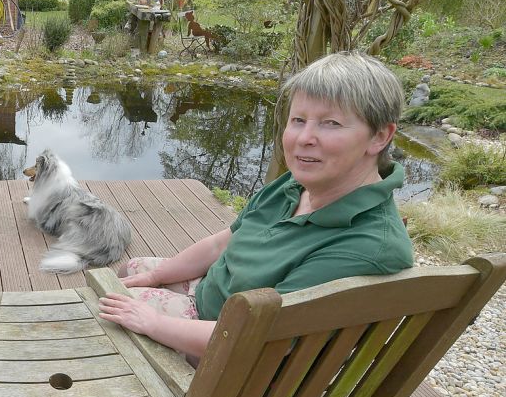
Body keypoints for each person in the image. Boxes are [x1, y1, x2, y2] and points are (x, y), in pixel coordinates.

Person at [98, 51, 414, 359]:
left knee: (101, 314)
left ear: (379, 137)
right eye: (299, 120)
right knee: (130, 269)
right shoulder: (296, 186)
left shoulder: (367, 247)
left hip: (228, 353)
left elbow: (257, 339)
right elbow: (221, 244)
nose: (304, 137)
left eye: (330, 123)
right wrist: (157, 277)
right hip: (215, 297)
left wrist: (152, 322)